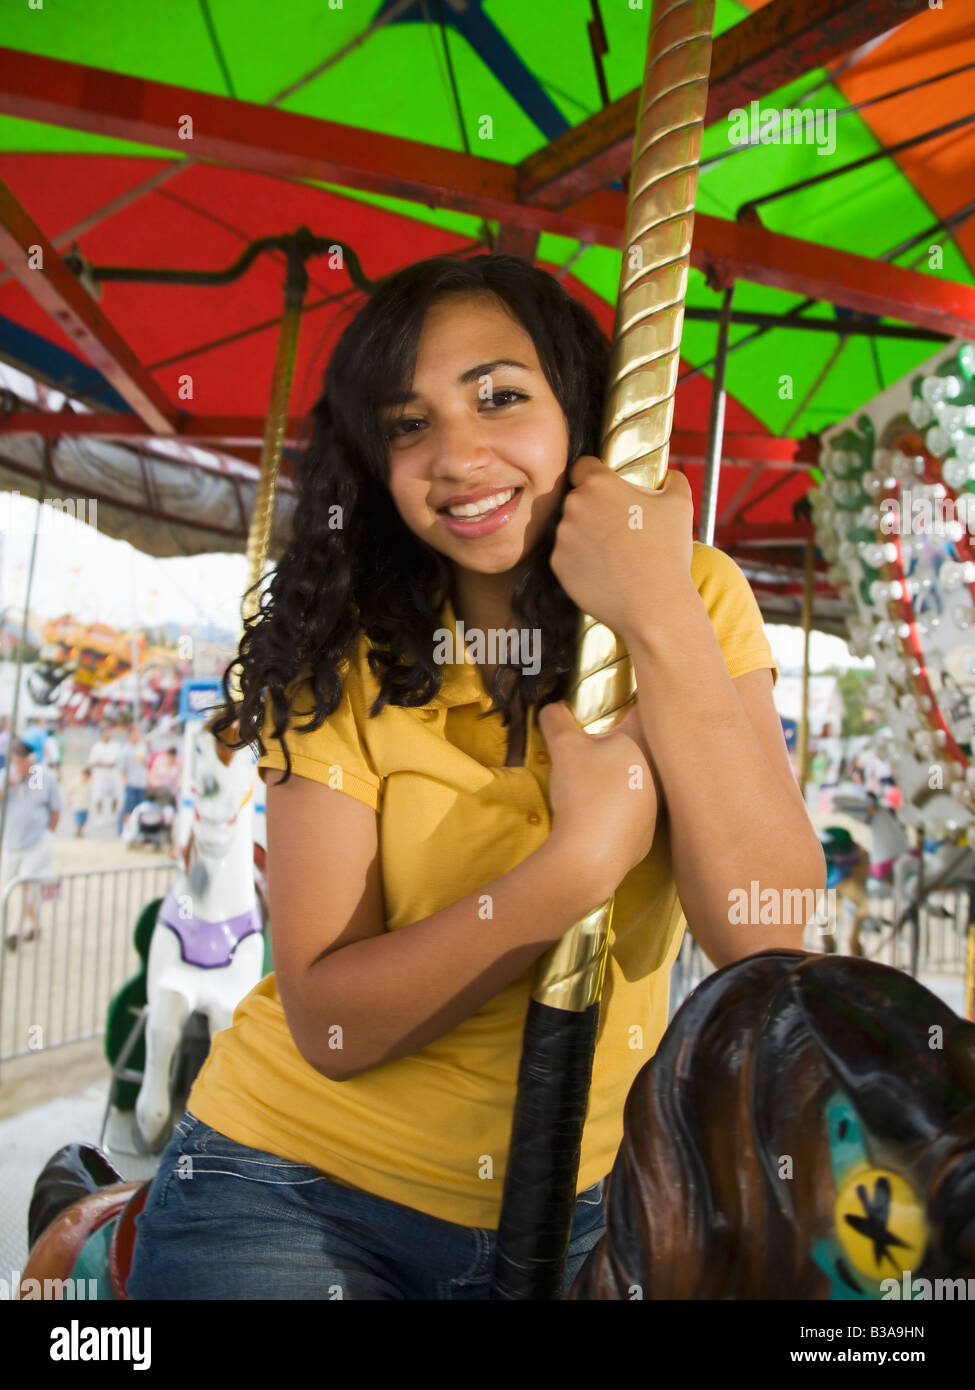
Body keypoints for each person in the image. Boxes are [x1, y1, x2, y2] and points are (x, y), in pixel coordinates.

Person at [128, 253, 825, 1301]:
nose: (458, 455)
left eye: (500, 397)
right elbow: (329, 1019)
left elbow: (767, 932)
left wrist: (657, 610)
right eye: (410, 424)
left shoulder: (693, 595)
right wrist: (570, 870)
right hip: (297, 1185)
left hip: (580, 1198)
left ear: (579, 411)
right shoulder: (342, 649)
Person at [1, 739, 62, 950]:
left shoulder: (40, 776)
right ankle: (32, 924)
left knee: (26, 882)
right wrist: (9, 783)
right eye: (15, 760)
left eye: (21, 760)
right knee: (9, 885)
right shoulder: (7, 776)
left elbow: (55, 808)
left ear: (30, 760)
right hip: (12, 842)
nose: (18, 764)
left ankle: (15, 930)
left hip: (37, 841)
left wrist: (48, 833)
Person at [118, 724, 149, 835]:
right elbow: (122, 768)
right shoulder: (125, 749)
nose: (137, 736)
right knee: (127, 808)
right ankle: (122, 830)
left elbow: (147, 763)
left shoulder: (142, 747)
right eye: (135, 734)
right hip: (130, 782)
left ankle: (139, 831)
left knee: (141, 809)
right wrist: (125, 781)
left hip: (141, 782)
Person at [86, 723, 120, 826]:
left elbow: (119, 760)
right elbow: (92, 762)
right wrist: (104, 764)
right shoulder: (97, 747)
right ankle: (99, 816)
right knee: (98, 797)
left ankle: (113, 815)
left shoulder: (116, 746)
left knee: (115, 796)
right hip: (100, 776)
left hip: (113, 775)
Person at [66, 766, 92, 837]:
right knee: (79, 820)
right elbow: (69, 791)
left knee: (84, 820)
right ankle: (77, 833)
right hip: (78, 804)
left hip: (85, 804)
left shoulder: (88, 783)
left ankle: (80, 832)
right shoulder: (77, 781)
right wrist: (69, 800)